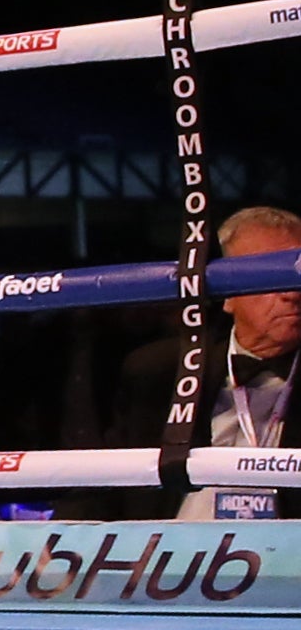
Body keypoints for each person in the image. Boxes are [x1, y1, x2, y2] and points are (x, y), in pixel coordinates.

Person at [118, 205, 299, 520]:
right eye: (271, 273)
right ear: (226, 294)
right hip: (173, 557)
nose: (292, 294)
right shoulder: (158, 371)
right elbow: (99, 486)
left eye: (297, 272)